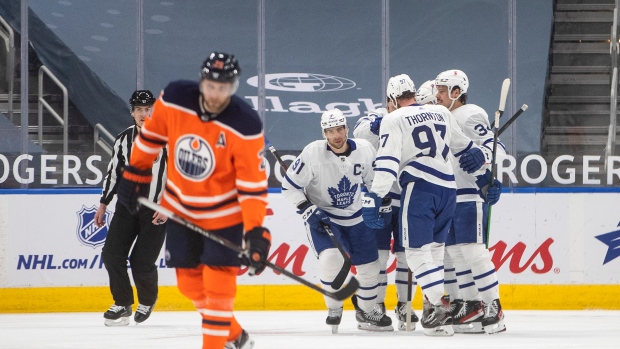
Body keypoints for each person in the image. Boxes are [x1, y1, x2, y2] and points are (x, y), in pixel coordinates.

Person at [115, 52, 270, 349]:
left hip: (225, 215)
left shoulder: (245, 123)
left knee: (217, 283)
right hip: (181, 209)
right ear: (202, 81)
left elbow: (252, 187)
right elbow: (151, 137)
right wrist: (136, 172)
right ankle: (235, 335)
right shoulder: (175, 97)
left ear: (233, 87)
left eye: (223, 88)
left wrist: (255, 231)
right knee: (188, 284)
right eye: (211, 86)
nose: (216, 94)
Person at [361, 74, 490, 337]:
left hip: (420, 189)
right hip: (449, 190)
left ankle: (439, 306)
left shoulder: (393, 118)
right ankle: (435, 313)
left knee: (416, 254)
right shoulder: (440, 112)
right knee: (434, 252)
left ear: (391, 101)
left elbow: (386, 162)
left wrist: (376, 195)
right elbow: (467, 148)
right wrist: (486, 176)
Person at [282, 108, 393, 333]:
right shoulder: (312, 153)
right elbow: (289, 186)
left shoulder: (364, 149)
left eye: (339, 129)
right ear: (324, 133)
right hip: (325, 217)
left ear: (346, 128)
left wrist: (381, 203)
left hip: (357, 216)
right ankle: (334, 307)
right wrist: (306, 208)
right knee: (331, 259)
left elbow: (373, 182)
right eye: (330, 131)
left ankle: (366, 309)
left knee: (370, 268)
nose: (336, 135)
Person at [435, 69, 505, 334]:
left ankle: (493, 305)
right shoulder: (442, 116)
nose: (437, 94)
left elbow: (495, 145)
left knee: (473, 251)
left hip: (467, 192)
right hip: (447, 194)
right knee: (455, 253)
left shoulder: (469, 113)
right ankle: (472, 304)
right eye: (437, 89)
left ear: (457, 93)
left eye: (443, 90)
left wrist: (482, 156)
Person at [94, 90, 168, 326]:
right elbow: (114, 174)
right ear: (132, 112)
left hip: (156, 210)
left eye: (148, 109)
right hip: (127, 207)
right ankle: (123, 303)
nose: (144, 114)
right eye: (139, 110)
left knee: (142, 261)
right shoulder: (124, 139)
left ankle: (147, 300)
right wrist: (104, 203)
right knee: (111, 255)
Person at [353, 98, 418, 330]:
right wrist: (381, 123)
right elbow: (360, 135)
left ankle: (404, 304)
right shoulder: (375, 115)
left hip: (409, 195)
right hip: (379, 196)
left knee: (406, 256)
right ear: (390, 101)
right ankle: (376, 305)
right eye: (397, 101)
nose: (401, 105)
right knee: (378, 256)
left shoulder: (415, 117)